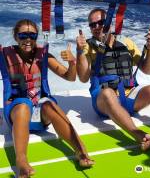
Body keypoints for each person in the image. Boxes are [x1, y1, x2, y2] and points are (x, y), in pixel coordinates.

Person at [76, 8, 150, 151]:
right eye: (92, 25)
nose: (97, 27)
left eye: (101, 22)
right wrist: (80, 52)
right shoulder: (87, 47)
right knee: (108, 93)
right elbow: (82, 78)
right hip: (104, 101)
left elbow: (147, 69)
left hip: (129, 95)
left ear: (110, 24)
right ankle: (138, 134)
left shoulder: (126, 43)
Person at [1, 19, 94, 178]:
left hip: (39, 114)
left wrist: (72, 63)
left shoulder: (43, 55)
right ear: (16, 37)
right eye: (23, 35)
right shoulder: (4, 56)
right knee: (23, 105)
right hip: (16, 113)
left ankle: (80, 149)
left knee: (49, 104)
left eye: (32, 35)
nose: (28, 39)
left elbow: (70, 78)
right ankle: (21, 160)